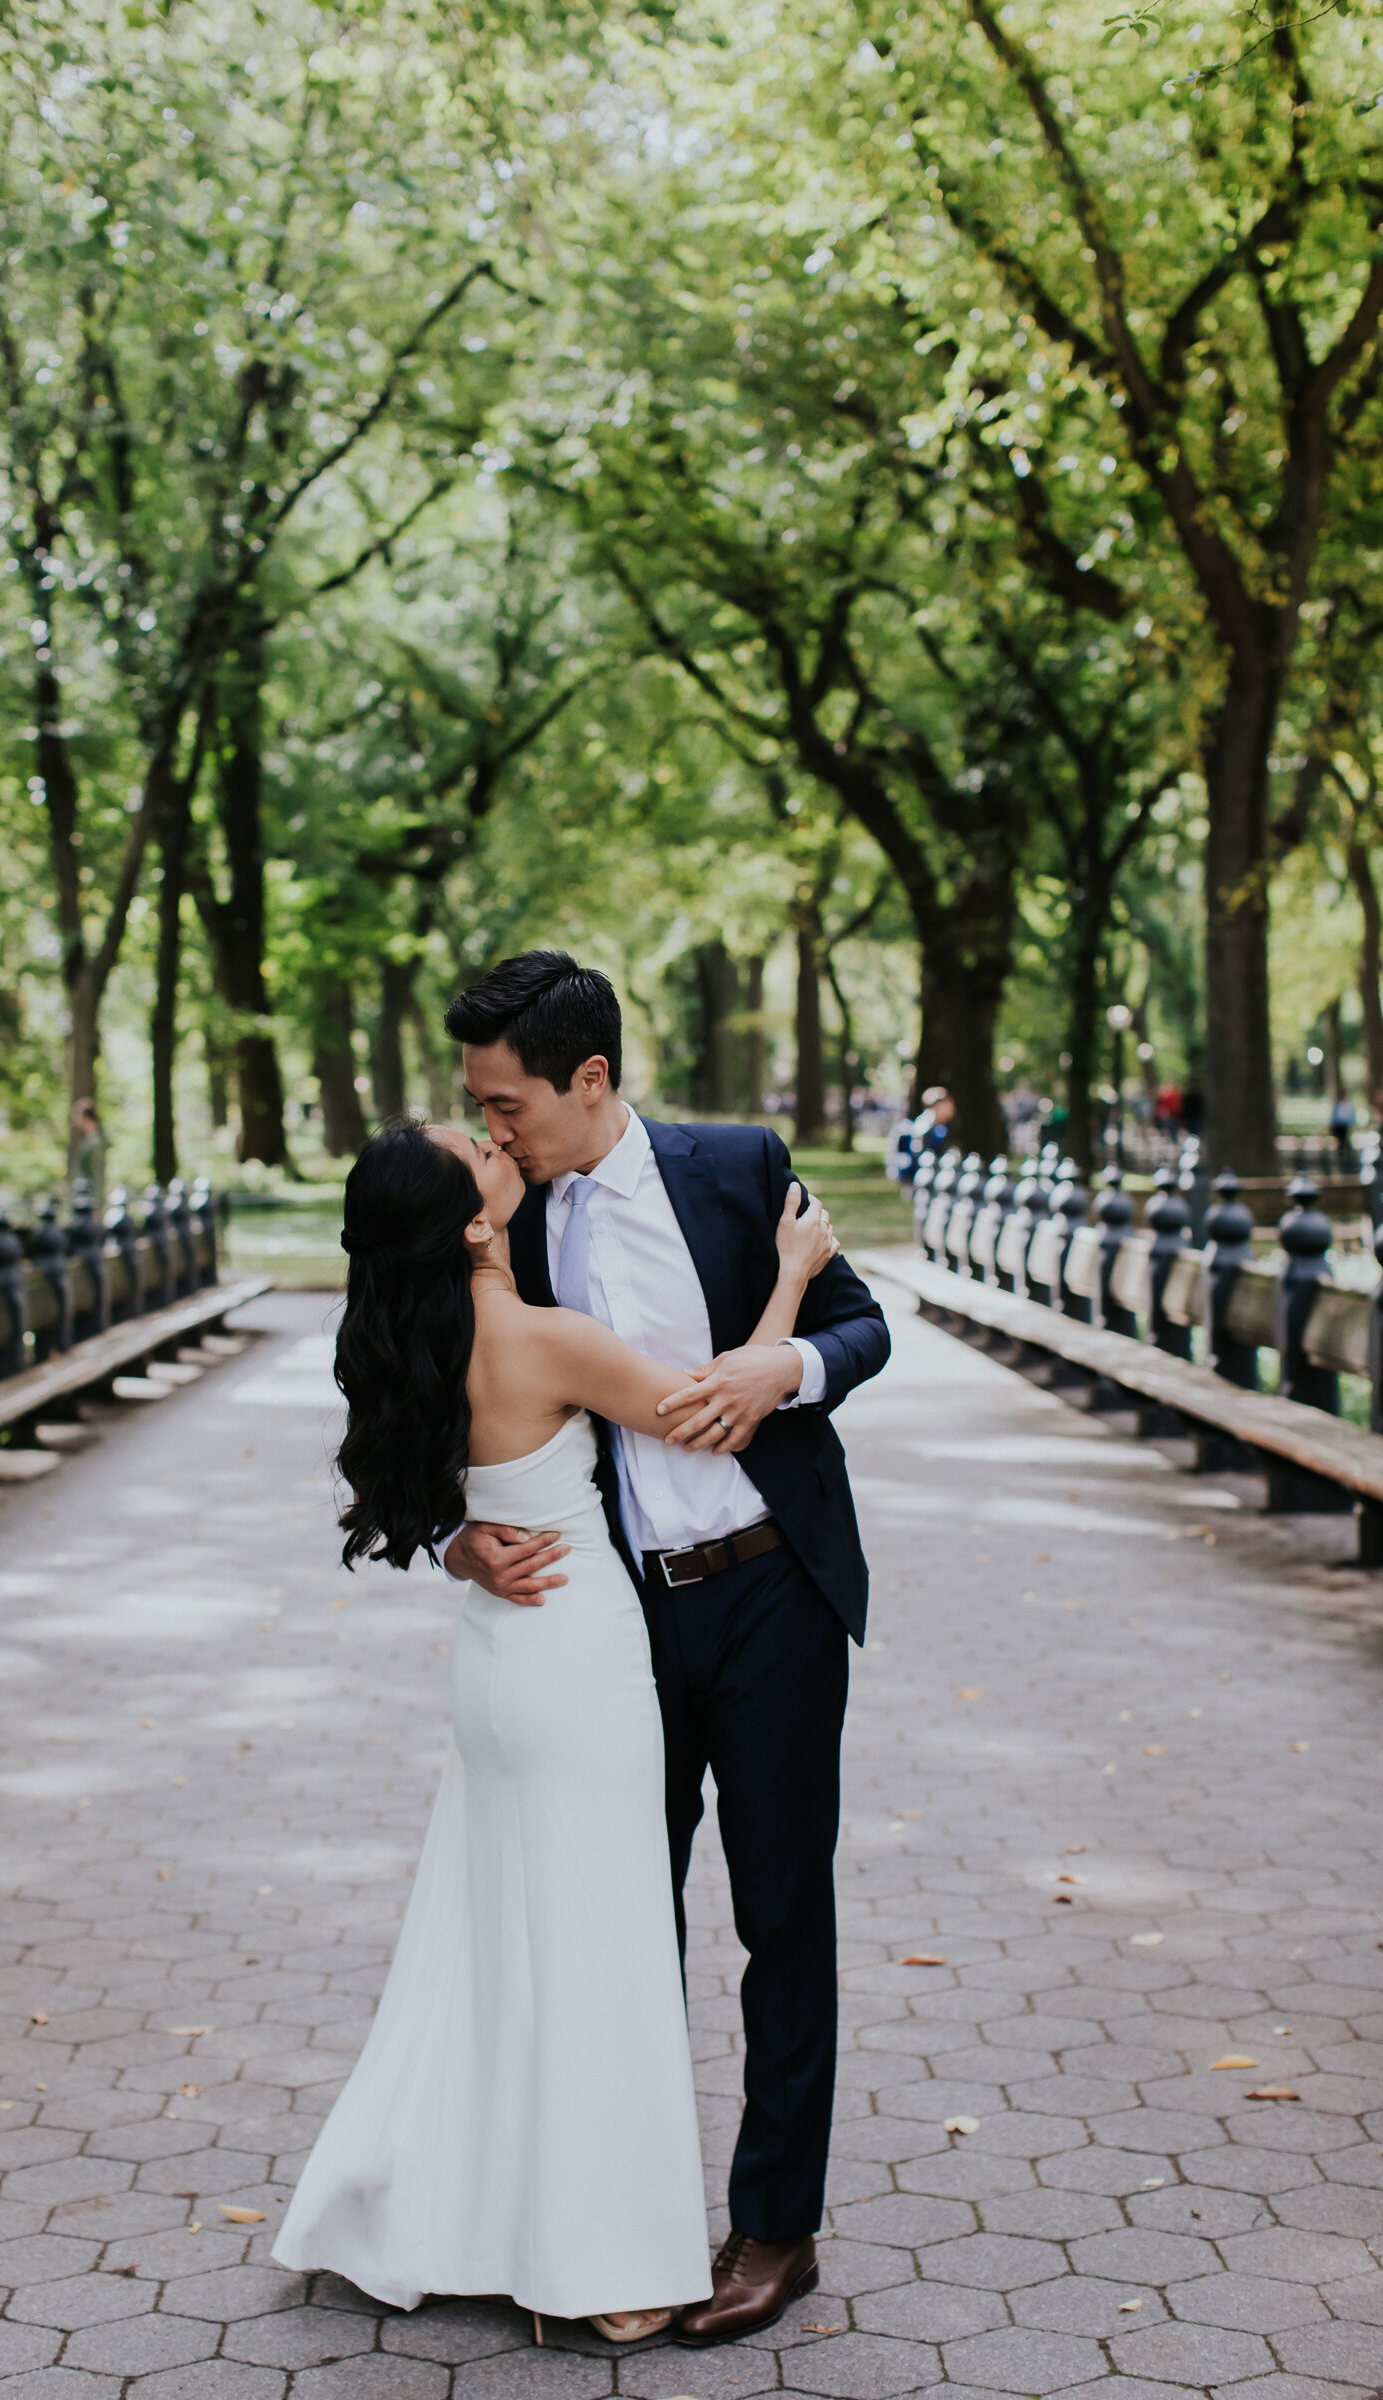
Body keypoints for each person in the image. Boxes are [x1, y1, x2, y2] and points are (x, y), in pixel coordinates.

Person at [272, 1117, 841, 2345]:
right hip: (578, 1656)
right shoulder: (544, 1337)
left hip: (493, 1664)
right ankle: (598, 2266)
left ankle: (472, 2208)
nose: (495, 1141)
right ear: (474, 1222)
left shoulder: (410, 1338)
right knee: (595, 1951)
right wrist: (790, 1278)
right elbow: (708, 1412)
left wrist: (453, 1539)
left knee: (493, 1943)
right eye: (474, 1150)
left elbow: (403, 1476)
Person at [438, 952, 890, 2346]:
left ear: (590, 1080)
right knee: (615, 1918)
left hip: (773, 1596)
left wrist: (788, 1366)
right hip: (613, 1622)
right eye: (477, 1108)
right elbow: (436, 1405)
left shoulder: (738, 1167)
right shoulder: (501, 1228)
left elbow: (861, 1326)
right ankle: (600, 2220)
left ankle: (775, 2229)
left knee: (778, 1915)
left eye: (507, 1104)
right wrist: (457, 1538)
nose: (490, 1133)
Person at [69, 1096, 108, 1209]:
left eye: (76, 1116)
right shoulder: (88, 1141)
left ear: (85, 1117)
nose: (74, 1121)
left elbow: (97, 1176)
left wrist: (97, 1206)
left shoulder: (94, 1142)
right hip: (83, 1203)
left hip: (89, 1205)